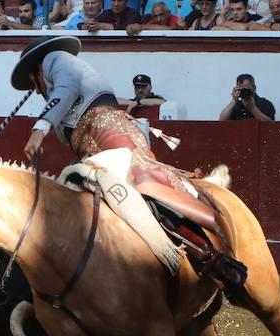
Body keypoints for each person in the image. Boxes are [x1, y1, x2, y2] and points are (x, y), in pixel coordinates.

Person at [13, 37, 214, 240]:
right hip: (93, 152)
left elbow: (66, 89)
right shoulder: (62, 102)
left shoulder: (55, 59)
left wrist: (39, 129)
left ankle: (206, 251)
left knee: (141, 182)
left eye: (34, 83)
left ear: (38, 70)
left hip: (111, 136)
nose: (38, 90)